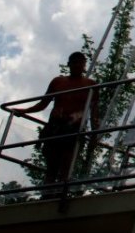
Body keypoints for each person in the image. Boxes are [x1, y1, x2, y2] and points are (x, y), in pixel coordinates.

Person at [10, 52, 99, 186]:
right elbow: (43, 103)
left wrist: (94, 135)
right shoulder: (58, 82)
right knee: (51, 167)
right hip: (55, 127)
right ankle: (47, 195)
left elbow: (94, 113)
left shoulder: (90, 85)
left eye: (80, 63)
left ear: (84, 65)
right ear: (69, 64)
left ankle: (60, 196)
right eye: (74, 62)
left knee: (66, 166)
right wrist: (24, 111)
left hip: (74, 129)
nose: (77, 65)